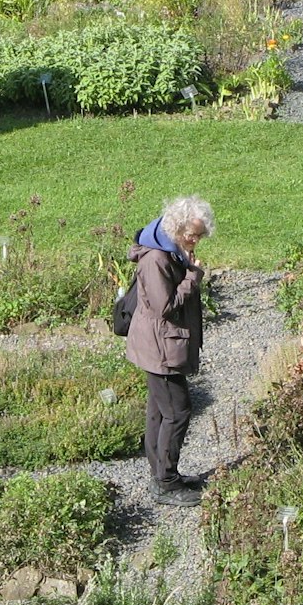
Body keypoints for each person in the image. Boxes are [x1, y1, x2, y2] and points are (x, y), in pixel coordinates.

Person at [125, 195, 215, 507]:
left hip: (159, 344)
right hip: (160, 348)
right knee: (177, 411)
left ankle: (163, 475)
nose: (196, 240)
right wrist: (193, 276)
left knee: (159, 412)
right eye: (192, 234)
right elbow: (166, 307)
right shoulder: (157, 259)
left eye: (200, 235)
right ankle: (165, 482)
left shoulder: (172, 249)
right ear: (176, 228)